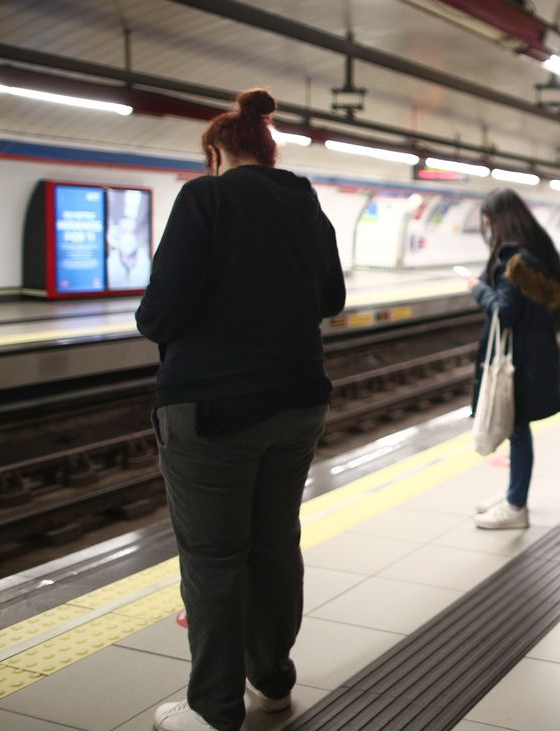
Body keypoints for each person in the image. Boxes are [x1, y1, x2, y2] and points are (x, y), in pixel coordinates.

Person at [137, 89, 346, 731]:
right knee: (276, 543)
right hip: (298, 400)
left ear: (215, 153)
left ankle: (214, 711)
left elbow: (160, 313)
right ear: (268, 147)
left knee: (214, 559)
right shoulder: (306, 202)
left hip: (212, 410)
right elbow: (331, 298)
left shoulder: (207, 197)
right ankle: (273, 684)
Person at [469, 188, 560, 530]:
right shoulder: (536, 252)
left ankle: (516, 506)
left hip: (521, 355)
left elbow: (504, 311)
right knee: (516, 426)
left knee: (516, 426)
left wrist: (477, 287)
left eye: (488, 219)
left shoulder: (518, 261)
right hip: (533, 350)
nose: (487, 226)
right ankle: (514, 492)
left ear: (499, 219)